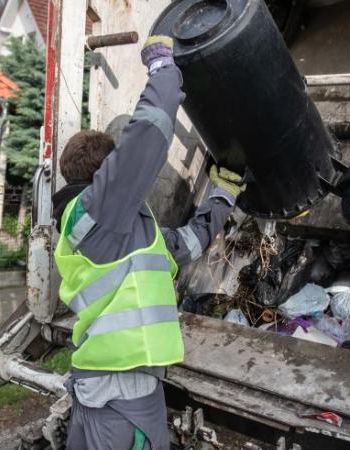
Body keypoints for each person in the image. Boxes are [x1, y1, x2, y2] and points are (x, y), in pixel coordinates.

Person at [52, 35, 245, 450]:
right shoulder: (95, 213)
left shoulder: (123, 233)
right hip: (120, 398)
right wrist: (163, 70)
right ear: (106, 175)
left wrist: (222, 195)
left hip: (114, 391)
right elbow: (145, 137)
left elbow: (187, 245)